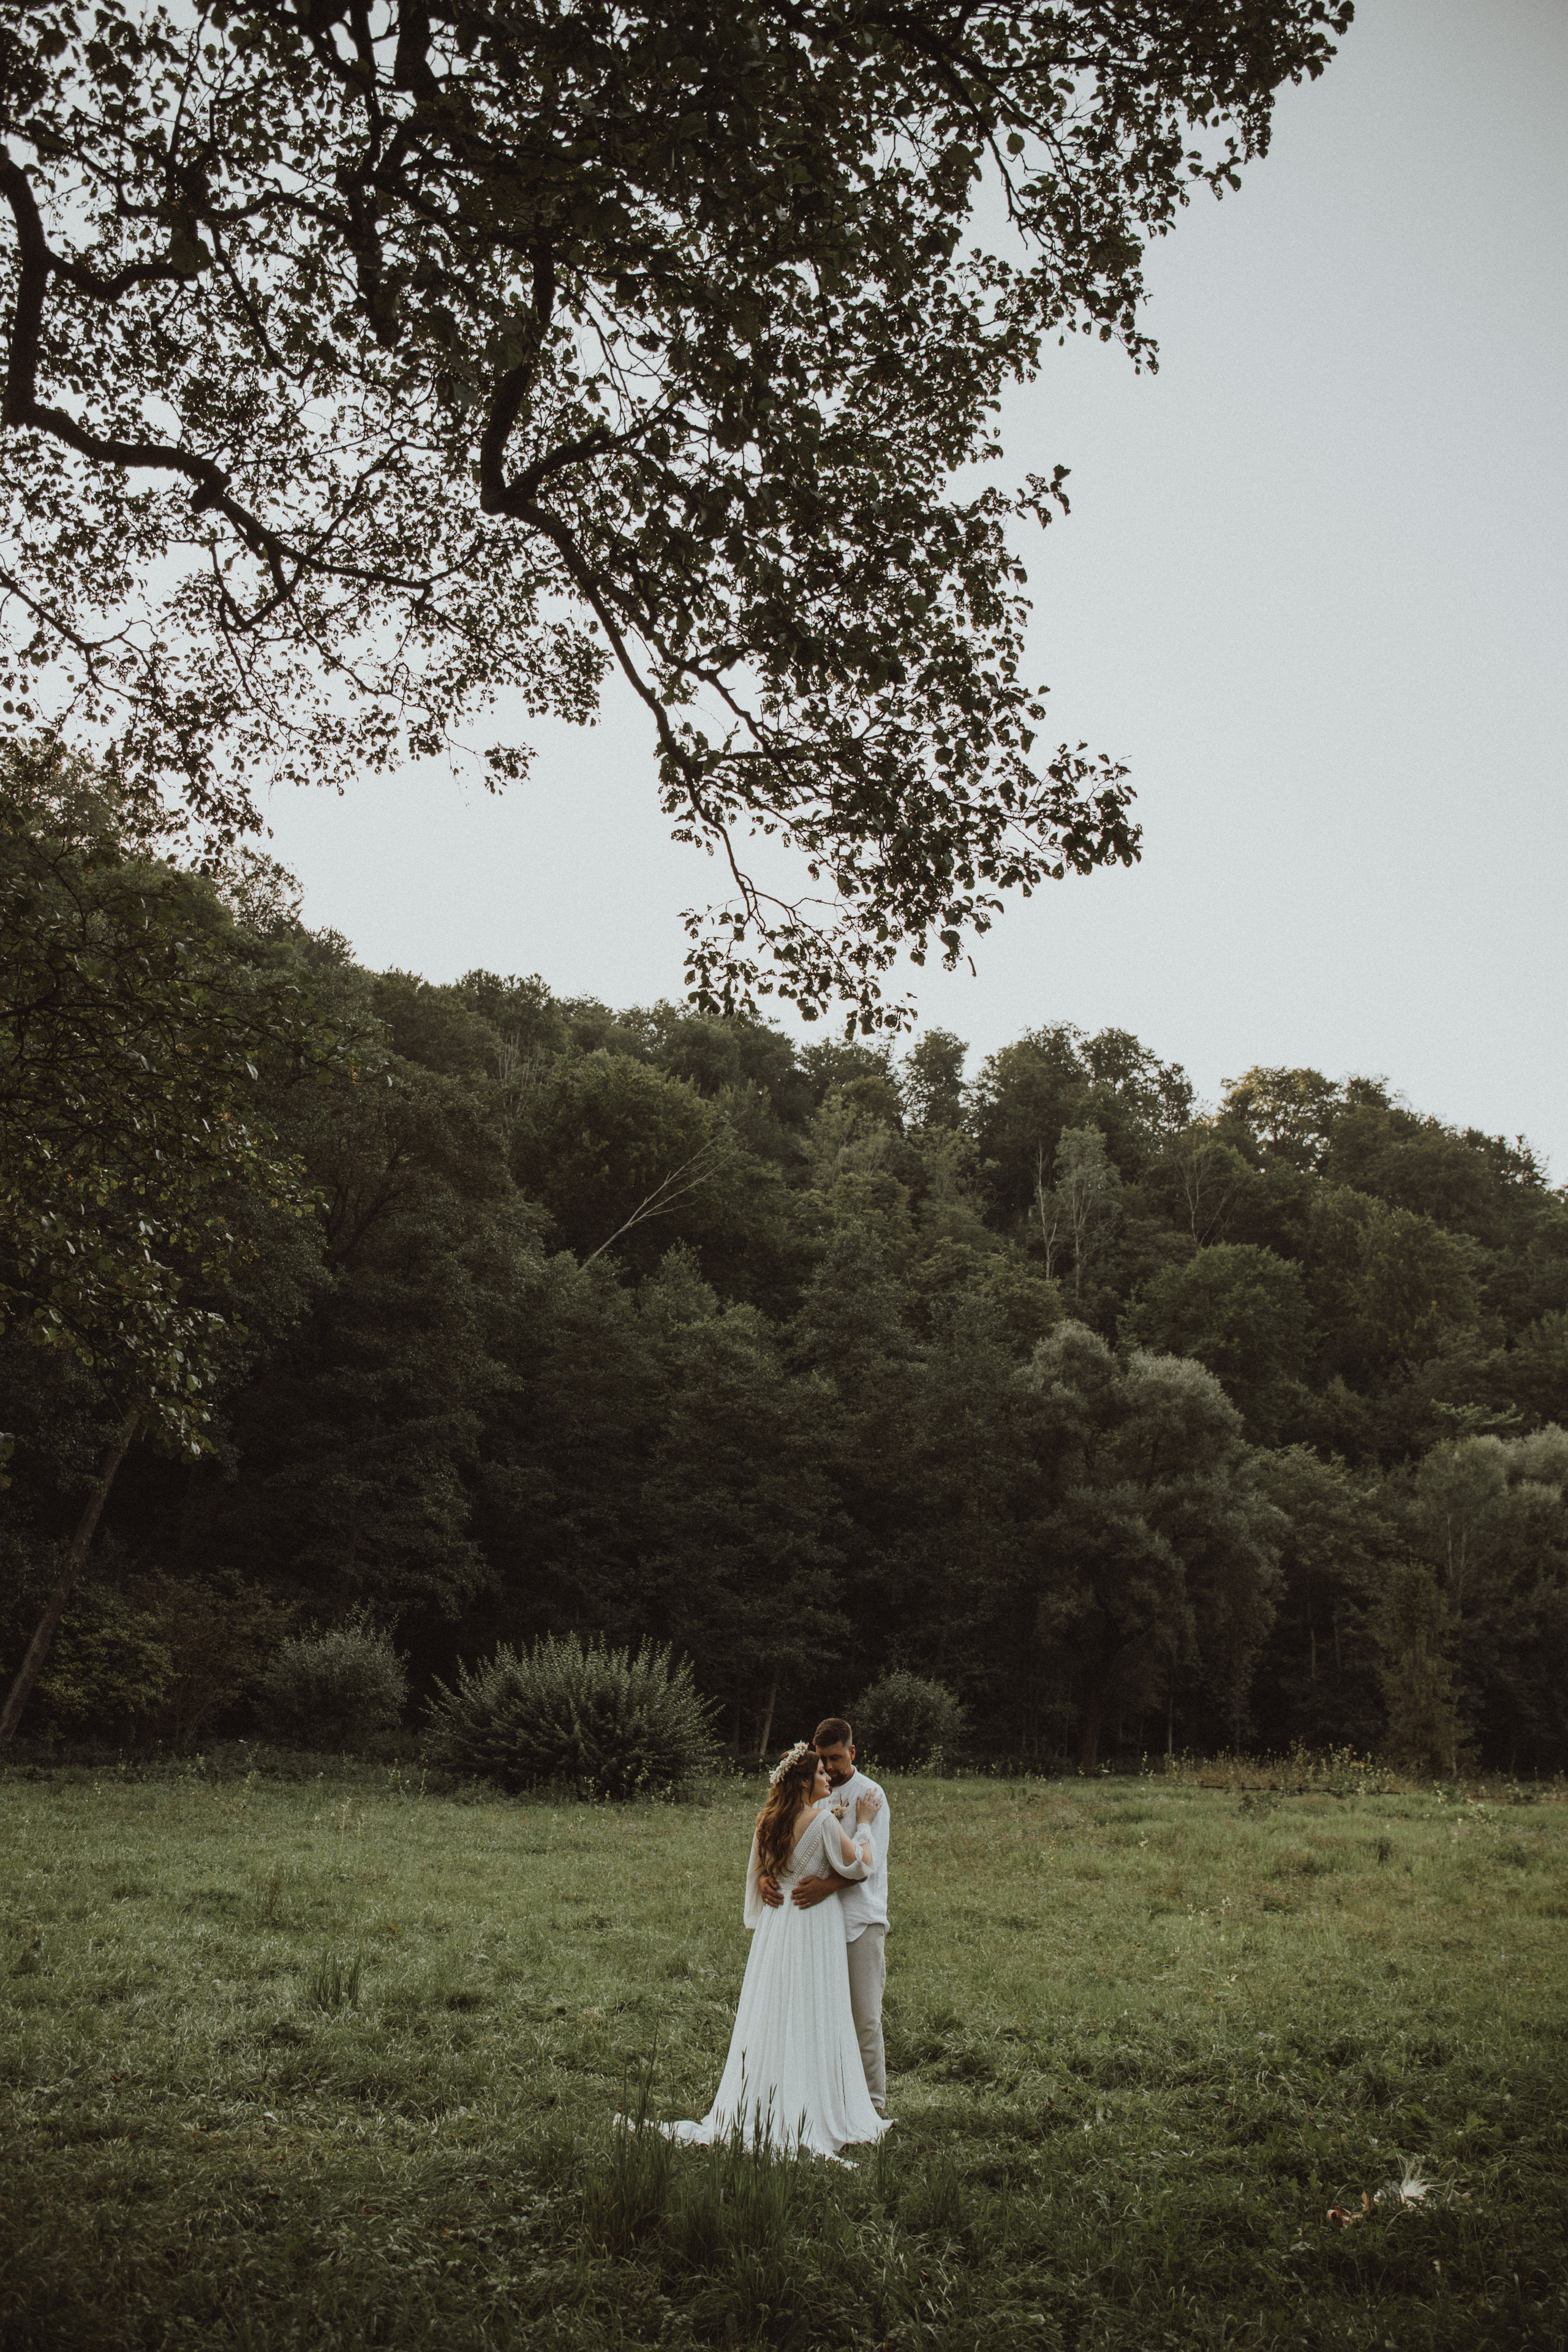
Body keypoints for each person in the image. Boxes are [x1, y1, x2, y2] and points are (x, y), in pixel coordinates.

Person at [658, 1741, 890, 2160]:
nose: (828, 1778)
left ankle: (769, 2097)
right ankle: (814, 2105)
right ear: (804, 1782)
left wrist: (768, 1878)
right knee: (813, 2008)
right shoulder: (820, 1823)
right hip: (812, 1923)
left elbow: (759, 1872)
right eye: (821, 1773)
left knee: (776, 2008)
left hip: (778, 1924)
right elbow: (862, 1864)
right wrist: (866, 1824)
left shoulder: (769, 1820)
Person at [756, 1716, 890, 2117]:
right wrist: (767, 1877)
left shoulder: (870, 1793)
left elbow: (871, 1863)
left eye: (835, 1759)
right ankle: (827, 2101)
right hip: (813, 1924)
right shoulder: (813, 1798)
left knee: (863, 2017)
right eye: (822, 1761)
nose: (829, 1769)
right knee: (818, 2014)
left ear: (853, 1752)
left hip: (858, 1918)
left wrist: (826, 1887)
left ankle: (872, 2104)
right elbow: (784, 1845)